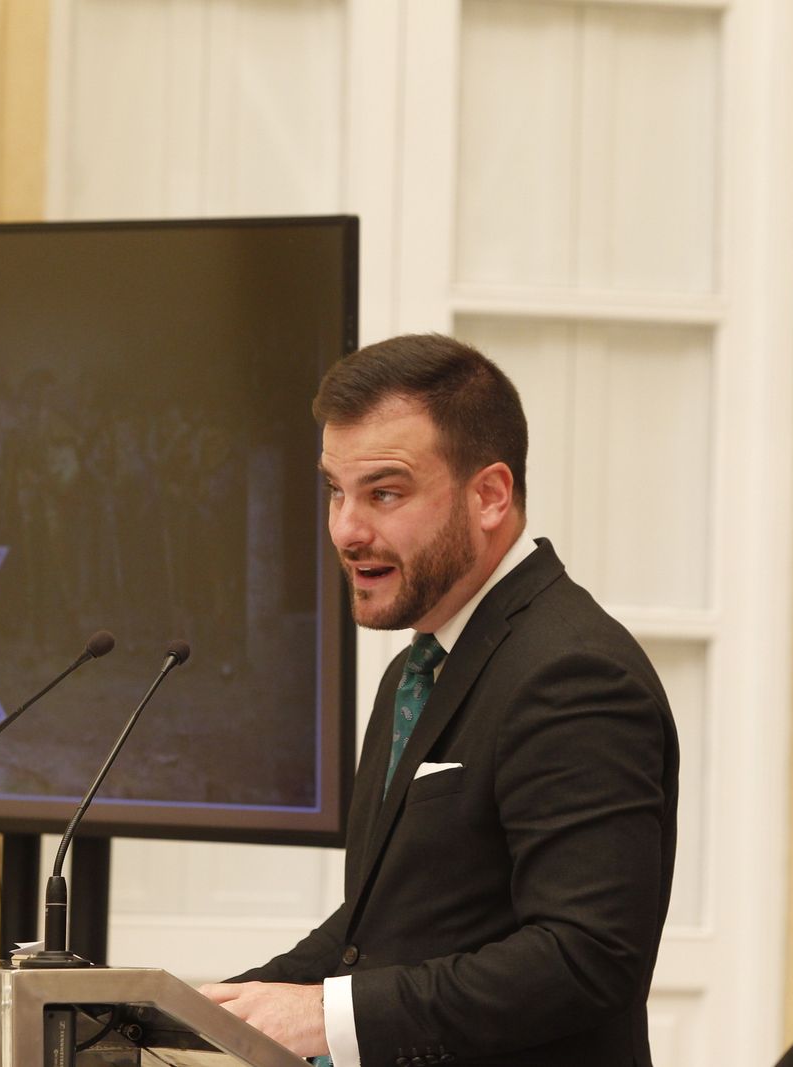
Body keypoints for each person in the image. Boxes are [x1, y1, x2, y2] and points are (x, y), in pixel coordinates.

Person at [201, 333, 678, 1067]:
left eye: (384, 492)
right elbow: (384, 927)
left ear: (489, 494)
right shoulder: (418, 667)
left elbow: (586, 957)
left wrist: (327, 1016)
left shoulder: (573, 671)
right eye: (336, 489)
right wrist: (195, 1016)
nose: (346, 529)